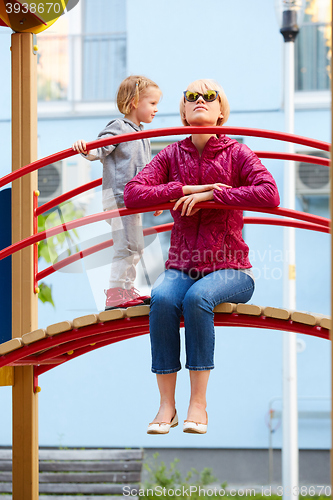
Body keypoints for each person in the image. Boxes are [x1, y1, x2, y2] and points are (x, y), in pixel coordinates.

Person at [124, 79, 280, 434]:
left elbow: (270, 194)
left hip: (232, 268)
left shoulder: (237, 153)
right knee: (162, 299)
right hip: (182, 265)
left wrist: (214, 196)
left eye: (209, 96)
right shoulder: (171, 155)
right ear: (182, 110)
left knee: (198, 299)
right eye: (190, 96)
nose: (199, 100)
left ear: (221, 111)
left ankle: (199, 403)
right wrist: (186, 189)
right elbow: (134, 194)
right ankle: (167, 405)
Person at [72, 75, 162, 310]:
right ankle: (116, 293)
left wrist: (154, 195)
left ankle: (125, 289)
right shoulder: (120, 127)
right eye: (152, 103)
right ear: (134, 102)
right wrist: (86, 149)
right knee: (126, 246)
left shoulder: (142, 134)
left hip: (135, 199)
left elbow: (147, 170)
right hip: (120, 197)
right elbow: (100, 149)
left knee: (136, 246)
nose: (156, 109)